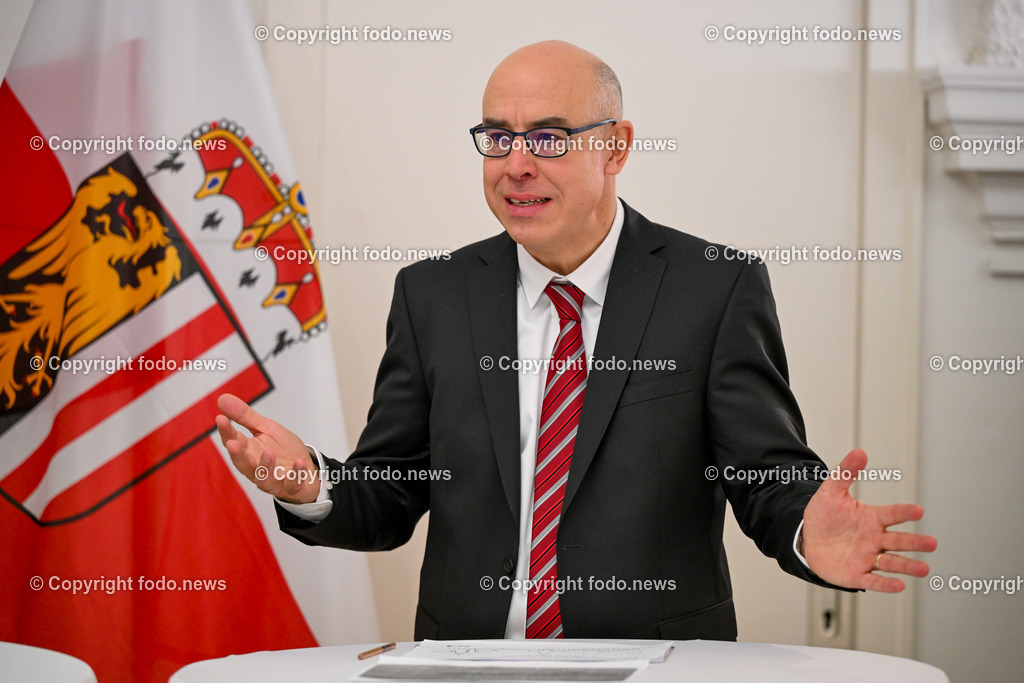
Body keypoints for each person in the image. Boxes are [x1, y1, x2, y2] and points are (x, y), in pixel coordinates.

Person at [215, 40, 936, 641]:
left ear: (616, 147)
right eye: (498, 137)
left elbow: (764, 479)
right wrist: (309, 482)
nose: (516, 164)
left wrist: (811, 531)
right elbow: (391, 493)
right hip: (467, 667)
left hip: (656, 666)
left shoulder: (713, 288)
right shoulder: (432, 294)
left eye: (549, 139)